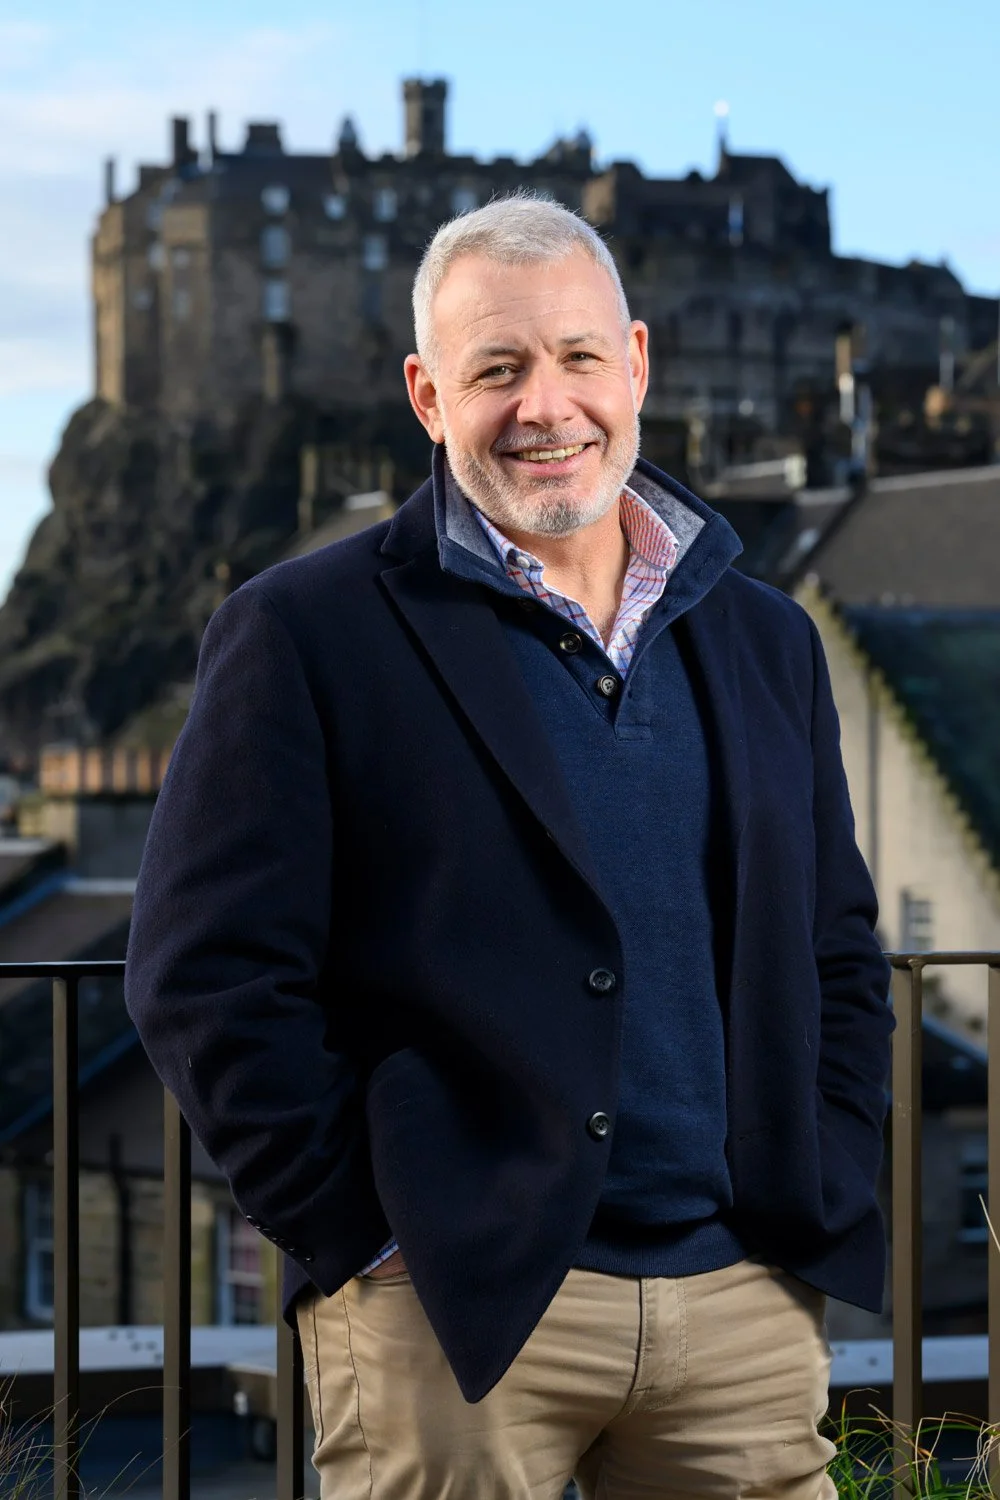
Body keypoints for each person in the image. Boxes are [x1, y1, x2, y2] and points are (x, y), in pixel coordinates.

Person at [125, 192, 894, 1499]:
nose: (548, 406)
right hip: (456, 1318)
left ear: (636, 363)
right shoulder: (307, 630)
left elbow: (834, 948)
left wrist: (816, 1180)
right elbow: (201, 971)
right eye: (498, 370)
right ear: (429, 397)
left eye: (580, 358)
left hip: (737, 1305)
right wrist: (364, 1236)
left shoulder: (767, 637)